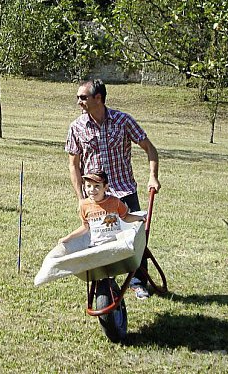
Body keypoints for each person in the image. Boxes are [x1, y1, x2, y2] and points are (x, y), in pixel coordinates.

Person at [65, 79, 160, 300]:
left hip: (125, 191)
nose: (79, 102)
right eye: (78, 97)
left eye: (83, 97)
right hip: (96, 198)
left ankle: (138, 283)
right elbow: (73, 165)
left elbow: (150, 148)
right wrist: (81, 198)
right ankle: (106, 286)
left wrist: (153, 177)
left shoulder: (123, 121)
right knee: (101, 241)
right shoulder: (77, 127)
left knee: (135, 241)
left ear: (98, 98)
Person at [59, 171, 145, 247]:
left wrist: (140, 218)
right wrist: (68, 238)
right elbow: (85, 227)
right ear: (84, 187)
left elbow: (125, 217)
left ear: (105, 187)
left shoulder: (115, 201)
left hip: (116, 244)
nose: (92, 190)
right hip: (96, 245)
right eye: (88, 186)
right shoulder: (84, 205)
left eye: (97, 186)